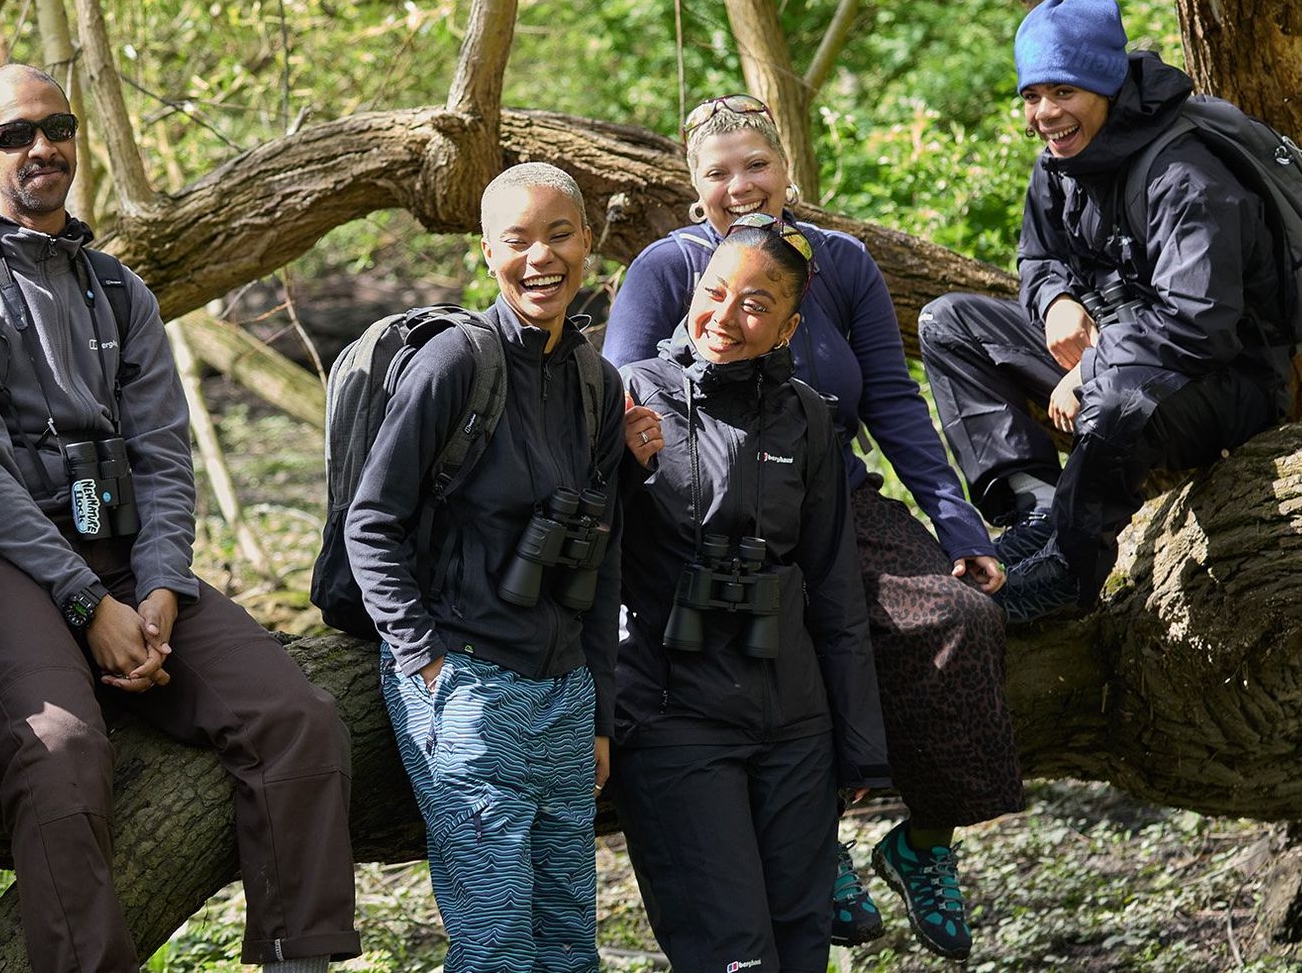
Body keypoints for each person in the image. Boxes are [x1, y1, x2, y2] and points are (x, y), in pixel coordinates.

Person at [0, 64, 360, 973]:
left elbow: (162, 452)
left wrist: (158, 585)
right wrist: (84, 606)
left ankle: (297, 955)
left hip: (118, 552)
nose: (42, 148)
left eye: (57, 127)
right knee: (63, 750)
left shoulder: (120, 290)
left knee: (297, 716)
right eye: (14, 135)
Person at [603, 95, 1020, 960]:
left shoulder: (844, 264)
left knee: (960, 620)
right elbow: (610, 397)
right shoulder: (666, 266)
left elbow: (896, 402)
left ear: (787, 167)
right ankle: (813, 842)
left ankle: (925, 842)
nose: (740, 185)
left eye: (755, 163)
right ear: (691, 186)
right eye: (716, 172)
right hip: (699, 513)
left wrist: (957, 524)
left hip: (833, 492)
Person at [918, 0, 1286, 623]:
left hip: (1225, 383)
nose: (1044, 114)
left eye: (1063, 93)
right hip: (1121, 351)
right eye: (1031, 97)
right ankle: (1038, 507)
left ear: (1108, 87)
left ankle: (1070, 570)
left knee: (1116, 398)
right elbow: (1037, 258)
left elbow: (1199, 325)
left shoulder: (1187, 175)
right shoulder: (1060, 164)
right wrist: (1056, 300)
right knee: (949, 322)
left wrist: (1092, 371)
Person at [345, 162, 624, 972]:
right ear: (487, 254)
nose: (542, 257)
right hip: (465, 680)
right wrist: (424, 662)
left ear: (589, 243)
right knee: (497, 943)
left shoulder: (597, 384)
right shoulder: (454, 365)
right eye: (519, 240)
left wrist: (598, 707)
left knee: (571, 940)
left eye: (560, 235)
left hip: (564, 691)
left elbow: (602, 562)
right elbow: (373, 520)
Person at [612, 215, 889, 972]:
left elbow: (834, 587)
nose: (725, 319)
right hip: (675, 716)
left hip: (793, 720)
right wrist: (616, 464)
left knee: (801, 942)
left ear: (790, 325)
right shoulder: (631, 396)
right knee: (730, 953)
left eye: (756, 304)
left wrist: (858, 746)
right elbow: (582, 560)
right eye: (715, 292)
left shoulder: (807, 417)